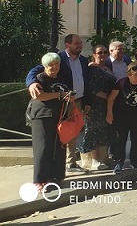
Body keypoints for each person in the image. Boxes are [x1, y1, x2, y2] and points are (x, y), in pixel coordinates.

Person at [26, 34, 91, 173]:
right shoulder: (57, 58)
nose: (80, 45)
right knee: (61, 134)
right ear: (67, 45)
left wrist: (87, 100)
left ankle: (70, 163)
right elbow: (36, 70)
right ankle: (69, 163)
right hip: (61, 103)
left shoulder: (84, 60)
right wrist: (32, 83)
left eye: (80, 43)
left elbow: (86, 81)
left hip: (77, 100)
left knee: (73, 131)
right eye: (77, 43)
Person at [27, 52, 71, 191]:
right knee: (43, 147)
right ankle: (39, 180)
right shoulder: (40, 78)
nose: (54, 67)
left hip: (59, 116)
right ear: (45, 66)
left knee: (58, 146)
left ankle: (56, 177)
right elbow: (39, 96)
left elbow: (67, 93)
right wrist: (59, 95)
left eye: (56, 64)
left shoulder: (63, 76)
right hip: (42, 115)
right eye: (50, 65)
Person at [107, 61, 137, 174]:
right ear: (129, 75)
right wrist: (109, 113)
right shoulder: (122, 83)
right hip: (122, 115)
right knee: (120, 139)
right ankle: (119, 162)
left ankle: (134, 160)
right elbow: (111, 98)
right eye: (135, 74)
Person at [80, 44, 117, 171]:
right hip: (95, 104)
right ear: (94, 54)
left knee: (104, 131)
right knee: (93, 131)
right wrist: (107, 97)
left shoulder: (107, 68)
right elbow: (92, 88)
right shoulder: (92, 69)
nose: (102, 55)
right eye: (99, 52)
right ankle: (94, 160)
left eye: (105, 52)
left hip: (107, 105)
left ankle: (104, 158)